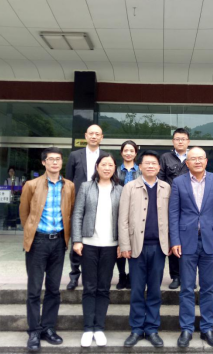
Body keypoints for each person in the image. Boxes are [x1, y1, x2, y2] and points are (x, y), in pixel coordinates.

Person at [169, 147, 213, 349]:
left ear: (206, 161)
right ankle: (186, 329)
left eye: (200, 158)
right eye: (192, 158)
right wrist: (175, 240)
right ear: (187, 163)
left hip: (210, 240)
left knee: (208, 288)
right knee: (186, 288)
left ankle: (207, 328)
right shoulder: (178, 182)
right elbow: (173, 213)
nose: (197, 161)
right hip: (186, 241)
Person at [19, 147, 76, 353]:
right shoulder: (31, 185)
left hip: (58, 242)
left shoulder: (69, 186)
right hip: (38, 242)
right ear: (43, 162)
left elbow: (70, 212)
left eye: (58, 159)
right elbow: (24, 214)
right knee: (34, 289)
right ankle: (34, 331)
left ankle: (48, 328)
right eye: (50, 159)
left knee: (53, 288)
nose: (54, 162)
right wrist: (31, 235)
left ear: (62, 162)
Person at [119, 151, 172, 349]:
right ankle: (136, 328)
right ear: (139, 167)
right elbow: (123, 219)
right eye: (146, 163)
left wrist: (171, 242)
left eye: (154, 163)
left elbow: (172, 217)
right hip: (136, 247)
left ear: (159, 167)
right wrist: (124, 245)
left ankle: (151, 329)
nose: (150, 166)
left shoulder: (166, 187)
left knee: (155, 290)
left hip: (158, 247)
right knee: (137, 290)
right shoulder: (130, 187)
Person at [71, 153, 123, 348]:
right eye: (104, 164)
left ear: (115, 168)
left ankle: (99, 327)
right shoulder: (86, 187)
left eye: (110, 165)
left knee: (103, 287)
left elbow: (123, 219)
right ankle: (88, 328)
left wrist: (122, 243)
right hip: (89, 244)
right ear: (97, 167)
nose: (107, 168)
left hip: (111, 245)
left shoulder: (120, 189)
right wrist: (77, 240)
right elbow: (77, 214)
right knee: (89, 287)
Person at [66, 124, 109, 291]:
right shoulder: (75, 155)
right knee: (77, 238)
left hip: (101, 200)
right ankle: (74, 275)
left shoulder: (105, 156)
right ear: (86, 136)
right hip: (79, 201)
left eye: (97, 134)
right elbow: (69, 181)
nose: (94, 136)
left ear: (102, 137)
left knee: (95, 238)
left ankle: (92, 275)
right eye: (91, 133)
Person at [158, 128, 190, 290]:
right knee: (173, 238)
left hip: (190, 205)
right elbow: (160, 179)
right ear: (173, 141)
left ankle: (188, 276)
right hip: (170, 204)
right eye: (177, 139)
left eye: (183, 139)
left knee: (189, 240)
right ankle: (176, 276)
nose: (180, 141)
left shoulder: (193, 157)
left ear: (188, 141)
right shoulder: (165, 157)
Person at [115, 140, 142, 290]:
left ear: (136, 153)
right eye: (125, 150)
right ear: (121, 152)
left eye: (131, 150)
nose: (128, 153)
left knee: (134, 241)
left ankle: (132, 275)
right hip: (118, 208)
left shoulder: (141, 171)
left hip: (137, 210)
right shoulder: (115, 171)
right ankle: (121, 274)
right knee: (120, 242)